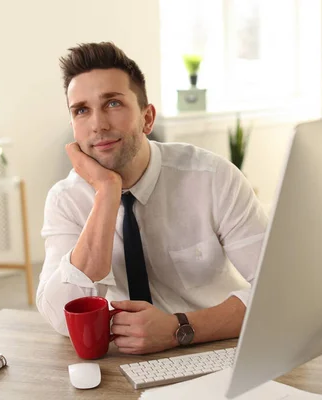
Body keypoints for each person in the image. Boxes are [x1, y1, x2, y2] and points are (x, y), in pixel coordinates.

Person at [36, 42, 268, 355]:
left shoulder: (212, 178)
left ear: (147, 119)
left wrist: (178, 328)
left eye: (113, 104)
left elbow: (276, 290)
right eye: (82, 110)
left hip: (215, 348)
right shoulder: (66, 200)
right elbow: (60, 317)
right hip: (123, 364)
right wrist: (106, 194)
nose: (98, 124)